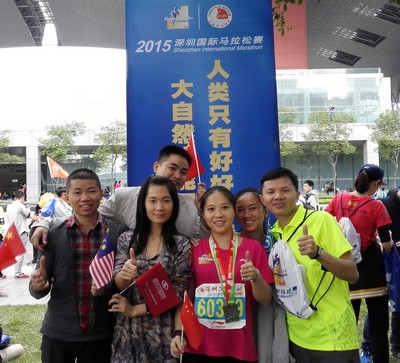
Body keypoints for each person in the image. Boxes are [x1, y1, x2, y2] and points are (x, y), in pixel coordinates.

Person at [260, 167, 359, 363]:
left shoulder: (321, 220)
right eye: (271, 192)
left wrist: (318, 253)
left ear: (297, 194)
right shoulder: (274, 234)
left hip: (332, 339)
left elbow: (352, 273)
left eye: (285, 190)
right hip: (297, 338)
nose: (278, 196)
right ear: (263, 199)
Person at [29, 168, 128, 363]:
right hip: (59, 332)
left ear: (101, 194)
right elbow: (39, 287)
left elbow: (124, 280)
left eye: (91, 191)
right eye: (77, 192)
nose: (85, 197)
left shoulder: (117, 233)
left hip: (102, 333)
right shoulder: (53, 235)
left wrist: (107, 287)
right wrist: (38, 286)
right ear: (66, 197)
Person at [31, 145, 208, 251]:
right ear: (156, 166)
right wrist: (44, 224)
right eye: (173, 168)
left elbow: (206, 243)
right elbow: (86, 217)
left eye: (183, 172)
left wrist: (202, 211)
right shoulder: (125, 196)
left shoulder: (191, 203)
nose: (177, 175)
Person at [171, 186, 273, 362]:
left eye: (225, 207)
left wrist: (255, 277)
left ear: (234, 211)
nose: (218, 214)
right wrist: (178, 333)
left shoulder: (253, 248)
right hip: (198, 346)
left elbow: (265, 299)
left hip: (240, 347)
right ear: (203, 214)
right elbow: (185, 297)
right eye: (211, 209)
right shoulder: (194, 249)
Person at [109, 176, 192, 362]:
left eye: (166, 200)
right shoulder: (127, 240)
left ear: (174, 203)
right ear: (143, 203)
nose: (159, 207)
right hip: (128, 334)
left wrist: (134, 310)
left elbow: (178, 292)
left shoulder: (181, 244)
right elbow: (119, 282)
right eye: (152, 201)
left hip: (163, 334)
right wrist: (125, 273)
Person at [325, 163, 392, 363]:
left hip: (344, 268)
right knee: (379, 326)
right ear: (375, 184)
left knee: (347, 322)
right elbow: (386, 243)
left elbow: (326, 224)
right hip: (372, 271)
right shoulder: (376, 205)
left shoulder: (338, 199)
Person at [235, 188, 291, 363]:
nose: (247, 215)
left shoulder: (280, 243)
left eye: (253, 208)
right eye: (240, 209)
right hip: (240, 312)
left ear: (265, 209)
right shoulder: (230, 243)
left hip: (274, 311)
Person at [360, 186, 400, 360]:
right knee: (379, 306)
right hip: (384, 263)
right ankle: (367, 346)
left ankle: (397, 345)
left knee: (399, 306)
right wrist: (389, 244)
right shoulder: (383, 204)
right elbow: (376, 236)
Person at [6, 190, 31, 278]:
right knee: (20, 252)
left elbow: (8, 219)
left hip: (13, 231)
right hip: (21, 231)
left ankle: (17, 271)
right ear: (22, 197)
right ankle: (18, 272)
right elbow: (28, 215)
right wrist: (28, 208)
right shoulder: (20, 205)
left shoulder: (9, 206)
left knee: (16, 252)